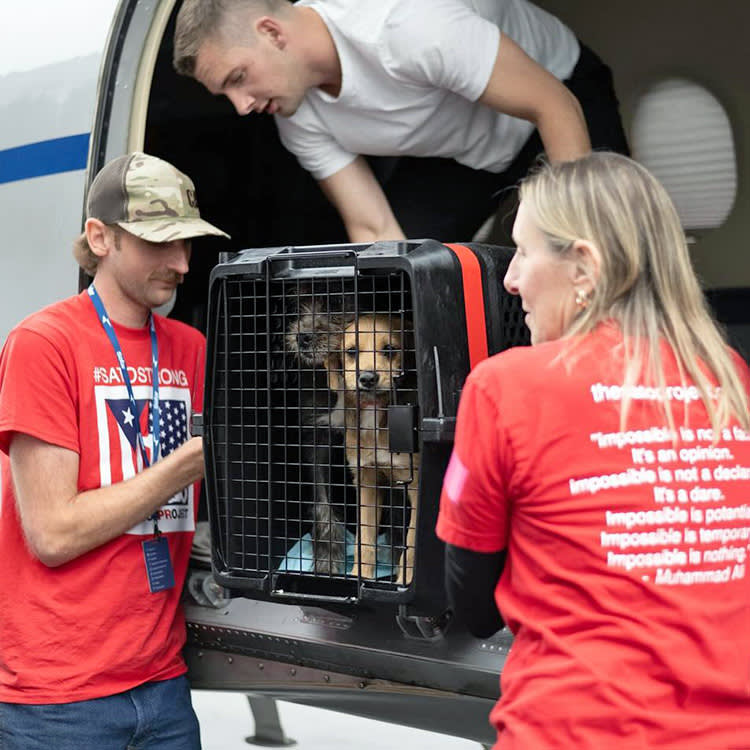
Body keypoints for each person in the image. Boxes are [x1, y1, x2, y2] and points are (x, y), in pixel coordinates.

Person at [435, 152, 750, 748]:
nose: (511, 278)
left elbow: (473, 605)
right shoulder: (728, 375)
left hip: (576, 728)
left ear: (583, 267)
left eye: (523, 251)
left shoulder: (507, 384)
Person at [0, 152, 230, 749]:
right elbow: (51, 534)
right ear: (100, 238)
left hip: (163, 684)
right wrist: (182, 466)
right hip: (57, 702)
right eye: (160, 243)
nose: (181, 264)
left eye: (187, 243)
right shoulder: (43, 344)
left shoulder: (193, 349)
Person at [172, 0, 629, 243]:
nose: (241, 106)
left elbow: (553, 105)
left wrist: (571, 244)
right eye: (225, 94)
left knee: (595, 237)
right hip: (458, 149)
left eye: (238, 79)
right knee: (406, 268)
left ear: (272, 33)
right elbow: (375, 231)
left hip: (559, 93)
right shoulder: (294, 113)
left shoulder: (404, 25)